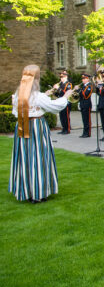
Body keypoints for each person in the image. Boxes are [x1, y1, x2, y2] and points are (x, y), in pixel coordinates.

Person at [10, 65, 73, 202]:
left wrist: (46, 95)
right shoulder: (37, 96)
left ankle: (26, 191)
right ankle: (39, 193)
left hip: (21, 126)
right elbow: (55, 106)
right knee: (39, 157)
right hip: (36, 127)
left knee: (25, 157)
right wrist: (66, 97)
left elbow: (16, 111)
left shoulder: (17, 96)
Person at [54, 70, 72, 134]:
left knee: (66, 116)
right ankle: (63, 129)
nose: (61, 78)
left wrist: (58, 88)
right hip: (60, 101)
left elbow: (66, 93)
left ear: (66, 77)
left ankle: (68, 129)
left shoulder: (69, 84)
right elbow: (58, 94)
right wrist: (55, 91)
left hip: (66, 102)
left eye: (63, 77)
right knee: (61, 116)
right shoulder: (60, 84)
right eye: (61, 77)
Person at [78, 73, 93, 138]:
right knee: (84, 120)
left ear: (88, 79)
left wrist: (78, 90)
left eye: (84, 79)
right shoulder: (83, 86)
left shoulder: (89, 86)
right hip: (82, 104)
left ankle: (88, 133)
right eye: (82, 79)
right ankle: (84, 132)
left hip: (87, 104)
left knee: (87, 120)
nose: (83, 80)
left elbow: (85, 95)